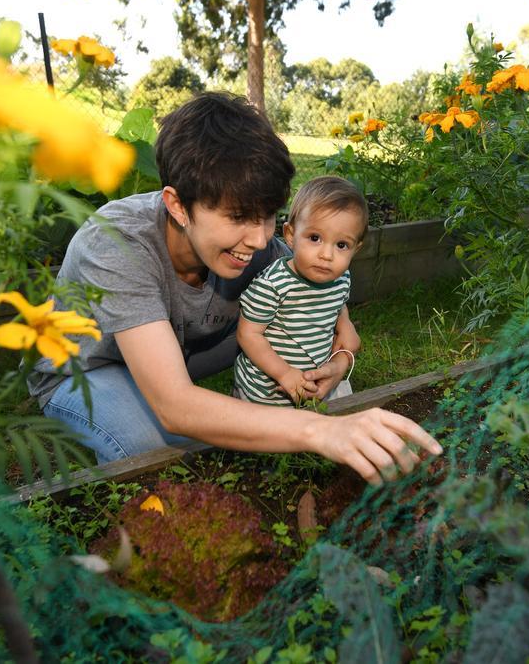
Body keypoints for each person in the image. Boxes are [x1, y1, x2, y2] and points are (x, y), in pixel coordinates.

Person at [27, 92, 440, 484]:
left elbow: (321, 303)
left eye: (268, 217)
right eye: (239, 217)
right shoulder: (116, 242)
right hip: (88, 367)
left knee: (231, 417)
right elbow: (176, 408)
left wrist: (338, 361)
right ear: (177, 205)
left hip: (188, 352)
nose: (260, 240)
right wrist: (319, 430)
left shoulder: (257, 245)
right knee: (153, 445)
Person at [233, 176, 366, 405]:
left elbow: (338, 303)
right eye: (315, 238)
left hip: (314, 382)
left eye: (341, 245)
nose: (327, 255)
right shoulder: (274, 284)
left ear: (355, 249)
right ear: (290, 235)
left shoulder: (341, 278)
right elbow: (248, 334)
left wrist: (346, 326)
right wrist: (284, 373)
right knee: (266, 438)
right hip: (266, 392)